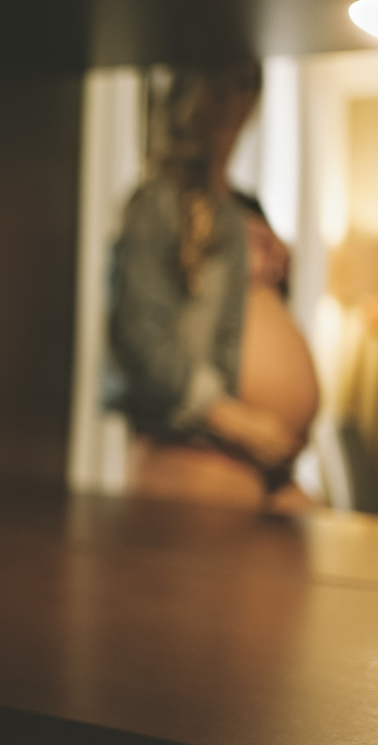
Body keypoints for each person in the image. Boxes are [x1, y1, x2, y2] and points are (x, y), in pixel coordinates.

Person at [110, 61, 319, 514]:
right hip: (198, 451)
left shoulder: (247, 206)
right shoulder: (158, 201)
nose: (233, 102)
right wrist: (237, 422)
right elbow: (138, 337)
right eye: (219, 87)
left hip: (265, 469)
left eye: (246, 85)